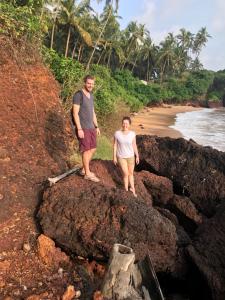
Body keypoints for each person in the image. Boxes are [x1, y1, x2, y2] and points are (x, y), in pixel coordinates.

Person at [73, 75, 100, 182]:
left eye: (92, 84)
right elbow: (75, 113)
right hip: (83, 127)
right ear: (85, 83)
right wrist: (79, 129)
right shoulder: (78, 95)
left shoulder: (91, 96)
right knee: (86, 150)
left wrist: (96, 126)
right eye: (89, 83)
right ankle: (87, 173)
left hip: (91, 127)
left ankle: (84, 169)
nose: (90, 85)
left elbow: (93, 112)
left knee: (93, 148)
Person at [113, 116, 139, 197]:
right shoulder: (117, 133)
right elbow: (115, 146)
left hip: (131, 156)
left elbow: (134, 145)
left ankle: (133, 189)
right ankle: (126, 190)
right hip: (121, 157)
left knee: (131, 173)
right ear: (122, 124)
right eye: (123, 123)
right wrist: (114, 157)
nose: (125, 125)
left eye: (127, 123)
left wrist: (137, 156)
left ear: (129, 125)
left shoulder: (132, 134)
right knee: (125, 173)